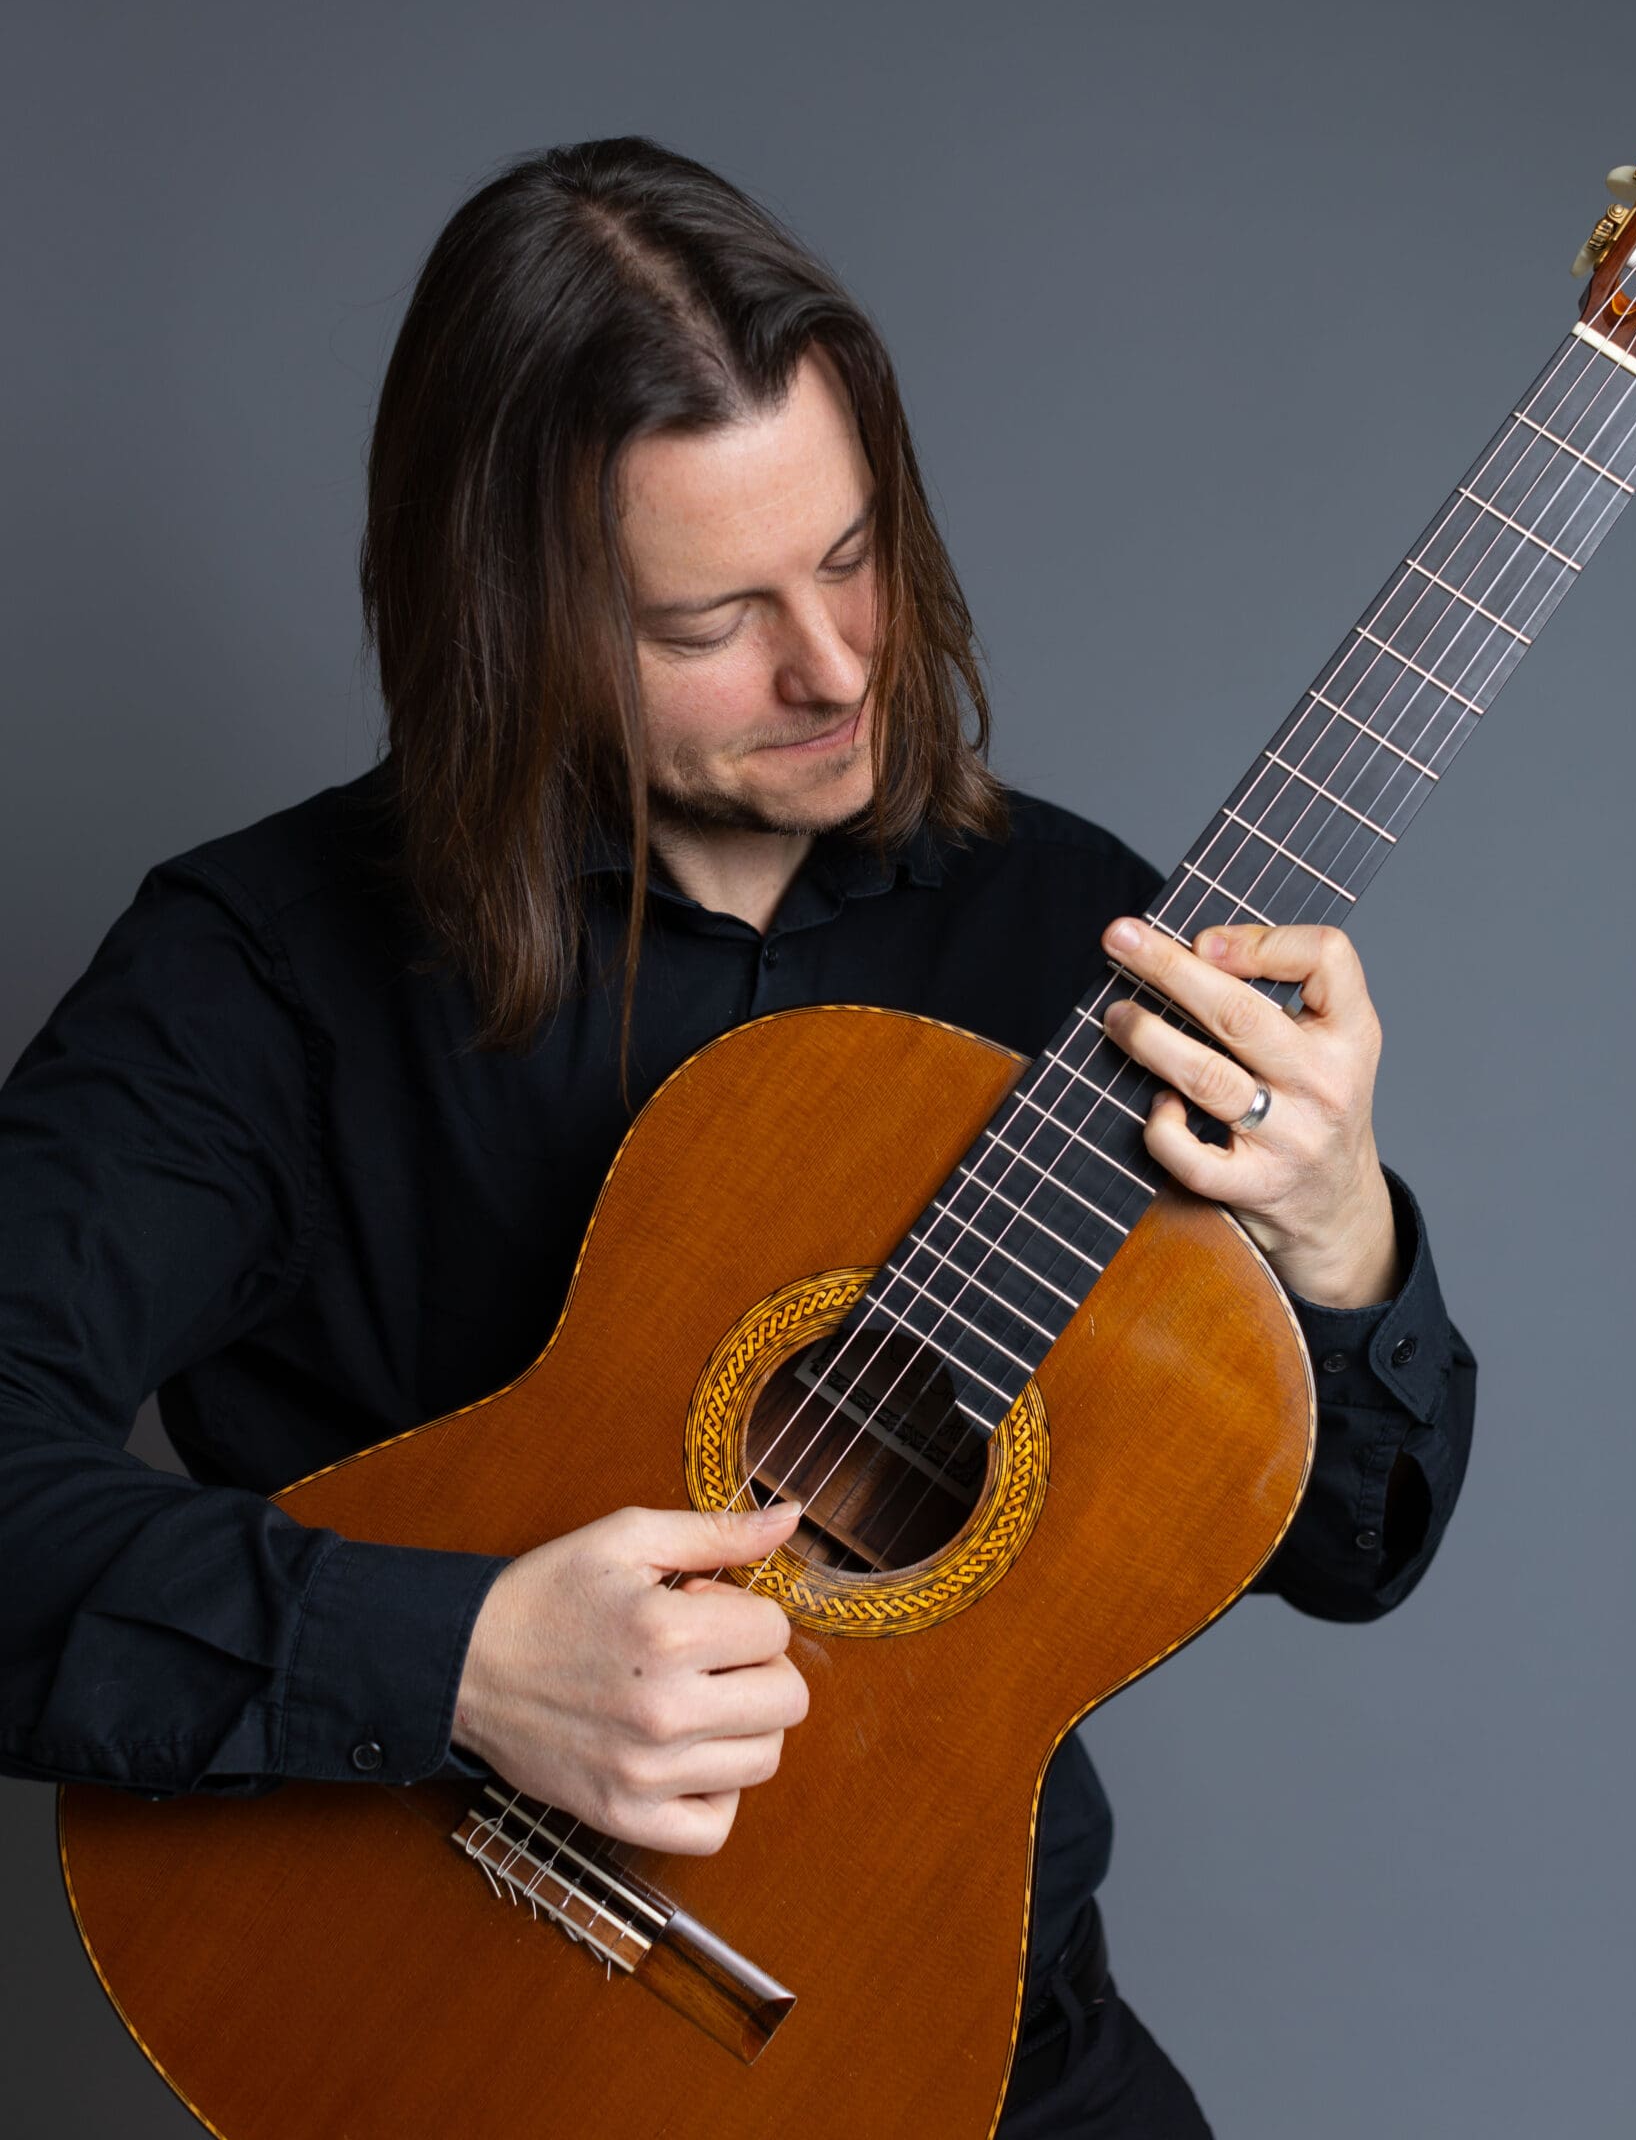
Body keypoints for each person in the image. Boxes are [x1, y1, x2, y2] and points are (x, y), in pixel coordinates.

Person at [0, 138, 1476, 2136]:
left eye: (854, 553)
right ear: (507, 621)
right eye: (712, 619)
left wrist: (1334, 1231)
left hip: (994, 2058)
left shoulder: (1078, 937)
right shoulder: (261, 981)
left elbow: (1348, 1538)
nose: (839, 664)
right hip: (474, 2051)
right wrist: (453, 1654)